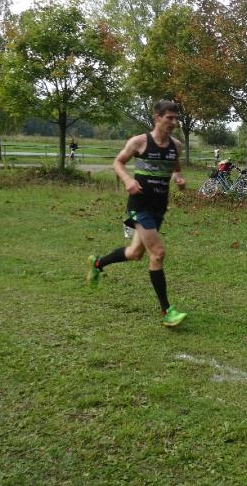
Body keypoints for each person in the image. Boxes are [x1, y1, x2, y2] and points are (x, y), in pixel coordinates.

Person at [85, 100, 188, 327]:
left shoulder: (176, 146)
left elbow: (176, 168)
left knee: (134, 253)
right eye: (169, 118)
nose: (173, 122)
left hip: (159, 206)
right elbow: (118, 162)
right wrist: (128, 180)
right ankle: (167, 312)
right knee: (158, 253)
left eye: (175, 118)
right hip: (139, 205)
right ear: (157, 118)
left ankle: (97, 263)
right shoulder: (139, 142)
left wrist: (179, 179)